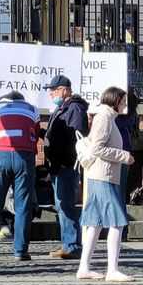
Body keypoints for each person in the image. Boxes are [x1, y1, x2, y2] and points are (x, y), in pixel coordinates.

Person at [76, 87, 135, 282]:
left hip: (100, 176)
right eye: (123, 101)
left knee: (95, 223)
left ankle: (84, 267)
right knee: (116, 222)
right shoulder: (105, 117)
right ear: (115, 101)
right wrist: (124, 156)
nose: (125, 104)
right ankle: (112, 269)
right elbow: (98, 148)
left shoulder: (107, 117)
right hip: (104, 176)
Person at [0, 91, 39, 261]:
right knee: (22, 206)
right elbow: (36, 134)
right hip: (24, 157)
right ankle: (20, 251)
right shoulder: (33, 109)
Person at [43, 74, 89, 260]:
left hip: (66, 165)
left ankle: (72, 245)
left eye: (53, 91)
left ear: (64, 90)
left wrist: (60, 156)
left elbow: (75, 137)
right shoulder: (64, 108)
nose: (51, 94)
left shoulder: (74, 108)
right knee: (62, 206)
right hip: (59, 165)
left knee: (66, 206)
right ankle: (68, 243)